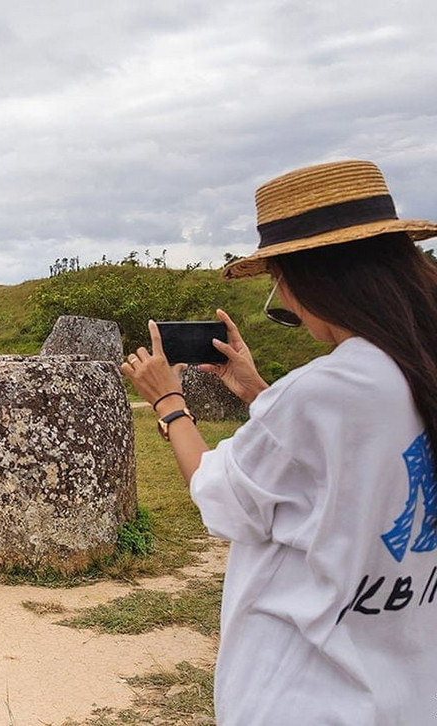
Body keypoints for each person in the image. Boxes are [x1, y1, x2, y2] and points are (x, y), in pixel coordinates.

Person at [122, 159, 437, 723]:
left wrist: (169, 402)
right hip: (406, 690)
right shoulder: (413, 369)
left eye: (279, 279)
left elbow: (216, 494)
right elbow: (341, 447)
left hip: (309, 692)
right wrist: (258, 391)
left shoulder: (327, 390)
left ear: (307, 277)